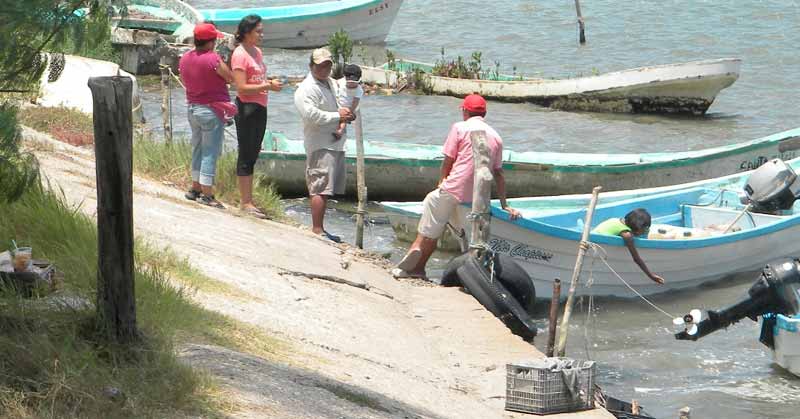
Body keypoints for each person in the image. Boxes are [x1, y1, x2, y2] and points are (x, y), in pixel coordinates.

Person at [392, 94, 521, 279]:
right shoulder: (496, 137)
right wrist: (504, 205)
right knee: (467, 238)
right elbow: (499, 174)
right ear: (484, 113)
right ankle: (471, 276)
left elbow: (448, 160)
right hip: (476, 199)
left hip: (453, 189)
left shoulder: (459, 127)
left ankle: (418, 260)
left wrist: (441, 181)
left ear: (465, 111)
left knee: (431, 214)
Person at [293, 48, 355, 242]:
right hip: (319, 143)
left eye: (328, 65)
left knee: (326, 188)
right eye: (320, 66)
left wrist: (346, 115)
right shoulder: (306, 88)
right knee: (319, 187)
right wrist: (338, 116)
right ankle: (317, 230)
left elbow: (342, 102)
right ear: (311, 66)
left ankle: (321, 228)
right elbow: (311, 115)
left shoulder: (331, 83)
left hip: (334, 142)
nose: (324, 69)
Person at [231, 14, 283, 219]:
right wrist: (268, 86)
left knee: (253, 153)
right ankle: (245, 202)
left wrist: (267, 83)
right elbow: (241, 87)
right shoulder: (240, 54)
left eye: (262, 31)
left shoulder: (257, 52)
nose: (262, 35)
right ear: (246, 32)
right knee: (245, 153)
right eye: (258, 31)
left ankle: (249, 200)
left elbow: (257, 78)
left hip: (261, 106)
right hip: (246, 107)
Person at [179, 22, 233, 209]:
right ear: (210, 42)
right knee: (210, 152)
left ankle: (195, 188)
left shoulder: (185, 58)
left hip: (192, 108)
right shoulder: (213, 59)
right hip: (211, 110)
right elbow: (229, 77)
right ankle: (207, 194)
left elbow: (186, 78)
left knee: (198, 148)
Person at [592, 208, 666, 284]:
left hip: (591, 241)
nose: (644, 231)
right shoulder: (627, 235)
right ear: (638, 228)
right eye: (644, 229)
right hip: (597, 245)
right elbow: (636, 259)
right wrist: (651, 276)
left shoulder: (614, 220)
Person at [335, 64, 363, 138]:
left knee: (343, 120)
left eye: (354, 83)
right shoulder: (341, 82)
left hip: (348, 107)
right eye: (350, 82)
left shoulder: (359, 90)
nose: (352, 84)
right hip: (338, 103)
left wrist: (350, 111)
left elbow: (355, 102)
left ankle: (340, 131)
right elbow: (334, 83)